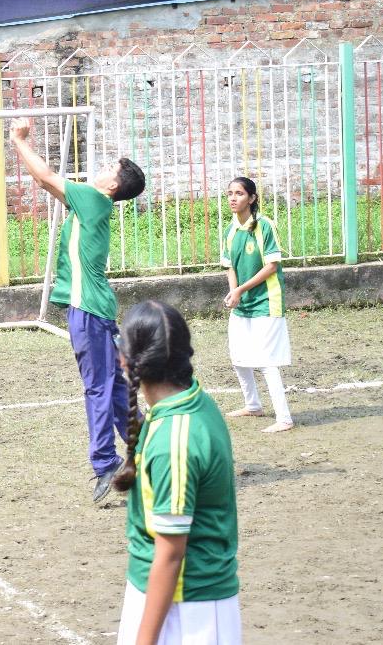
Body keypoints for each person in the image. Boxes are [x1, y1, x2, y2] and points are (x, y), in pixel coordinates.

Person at [9, 118, 145, 504]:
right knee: (116, 388)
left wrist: (18, 141)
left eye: (108, 169)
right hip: (92, 309)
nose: (101, 169)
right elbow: (48, 183)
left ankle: (106, 463)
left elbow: (44, 175)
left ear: (113, 185)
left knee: (99, 387)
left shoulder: (94, 198)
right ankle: (153, 447)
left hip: (88, 310)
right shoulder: (91, 204)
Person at [113, 300, 241, 645]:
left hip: (187, 611)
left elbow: (170, 554)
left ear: (126, 360)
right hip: (172, 600)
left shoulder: (176, 440)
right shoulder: (187, 402)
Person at [221, 176, 294, 433]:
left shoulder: (264, 226)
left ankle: (284, 418)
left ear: (251, 198)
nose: (232, 198)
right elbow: (229, 265)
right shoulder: (230, 230)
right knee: (239, 357)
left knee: (266, 360)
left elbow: (272, 265)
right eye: (230, 193)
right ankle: (253, 405)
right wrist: (234, 292)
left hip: (267, 302)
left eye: (239, 193)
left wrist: (241, 289)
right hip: (243, 303)